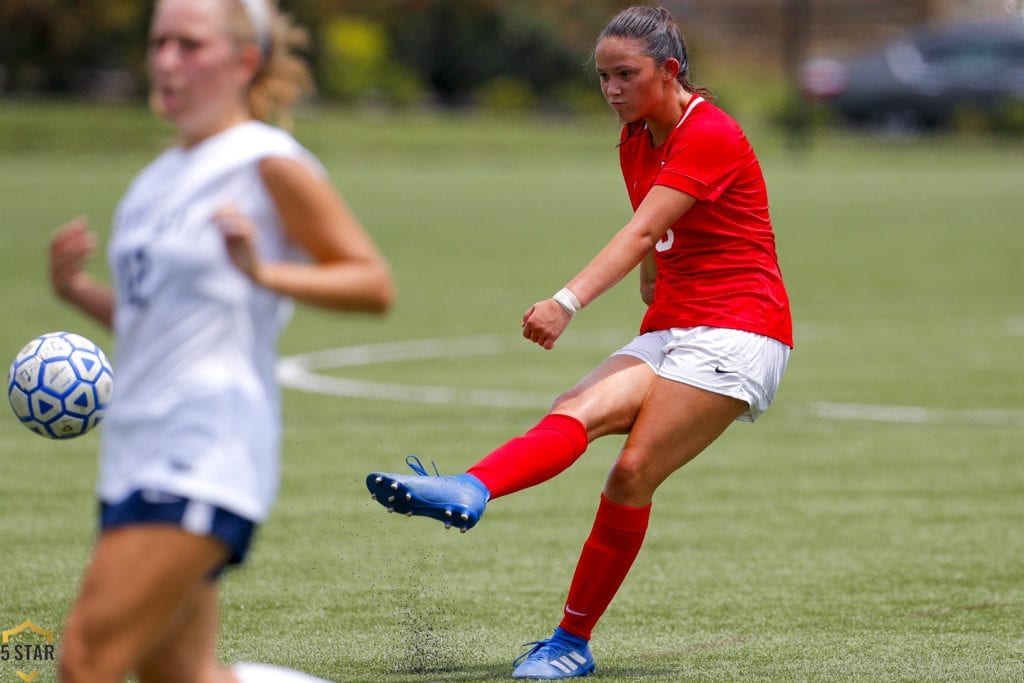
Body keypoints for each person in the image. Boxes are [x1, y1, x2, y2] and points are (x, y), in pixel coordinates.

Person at [365, 5, 791, 680]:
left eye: (626, 74)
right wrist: (656, 282)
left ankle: (570, 640)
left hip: (741, 331)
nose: (612, 90)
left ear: (669, 71)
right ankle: (471, 487)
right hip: (677, 327)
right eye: (602, 77)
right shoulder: (635, 137)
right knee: (576, 408)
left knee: (631, 472)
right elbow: (658, 232)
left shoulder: (709, 130)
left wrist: (567, 302)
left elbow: (641, 232)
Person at [49, 0, 394, 680]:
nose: (166, 60)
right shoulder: (155, 181)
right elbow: (157, 324)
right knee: (181, 674)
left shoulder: (266, 161)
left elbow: (372, 282)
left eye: (189, 44)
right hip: (135, 451)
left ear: (245, 60)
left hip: (203, 447)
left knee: (86, 660)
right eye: (158, 43)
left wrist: (265, 271)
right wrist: (77, 292)